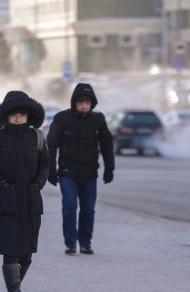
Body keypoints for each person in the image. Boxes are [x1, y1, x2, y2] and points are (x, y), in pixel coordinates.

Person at [0, 91, 49, 291]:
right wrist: (2, 184)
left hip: (31, 201)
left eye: (22, 114)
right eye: (14, 114)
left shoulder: (37, 137)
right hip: (5, 201)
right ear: (6, 116)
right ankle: (14, 289)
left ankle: (15, 285)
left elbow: (45, 163)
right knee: (10, 251)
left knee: (27, 253)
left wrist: (38, 184)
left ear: (28, 116)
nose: (18, 117)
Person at [46, 83, 114, 256]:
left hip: (89, 173)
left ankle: (85, 243)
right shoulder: (62, 119)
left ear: (92, 104)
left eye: (88, 102)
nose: (84, 105)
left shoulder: (98, 120)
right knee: (69, 205)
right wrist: (50, 170)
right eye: (81, 102)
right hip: (67, 172)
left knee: (88, 209)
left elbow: (107, 144)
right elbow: (51, 145)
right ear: (74, 102)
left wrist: (109, 169)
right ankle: (70, 243)